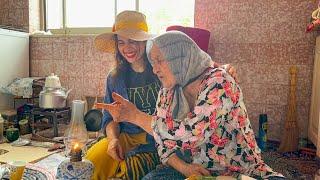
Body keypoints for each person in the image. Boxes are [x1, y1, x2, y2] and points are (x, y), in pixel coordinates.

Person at [102, 31, 284, 179]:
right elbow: (163, 143)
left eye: (159, 61)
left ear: (179, 58)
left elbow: (189, 135)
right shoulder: (169, 89)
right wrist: (185, 168)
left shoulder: (219, 82)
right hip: (193, 168)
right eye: (153, 62)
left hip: (237, 170)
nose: (155, 69)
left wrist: (135, 116)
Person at [86, 11, 238, 180]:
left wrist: (222, 68)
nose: (127, 48)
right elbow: (109, 118)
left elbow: (197, 66)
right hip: (127, 137)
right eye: (121, 42)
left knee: (131, 168)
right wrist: (113, 139)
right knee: (91, 162)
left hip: (160, 139)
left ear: (145, 40)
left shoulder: (166, 69)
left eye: (133, 41)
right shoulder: (114, 78)